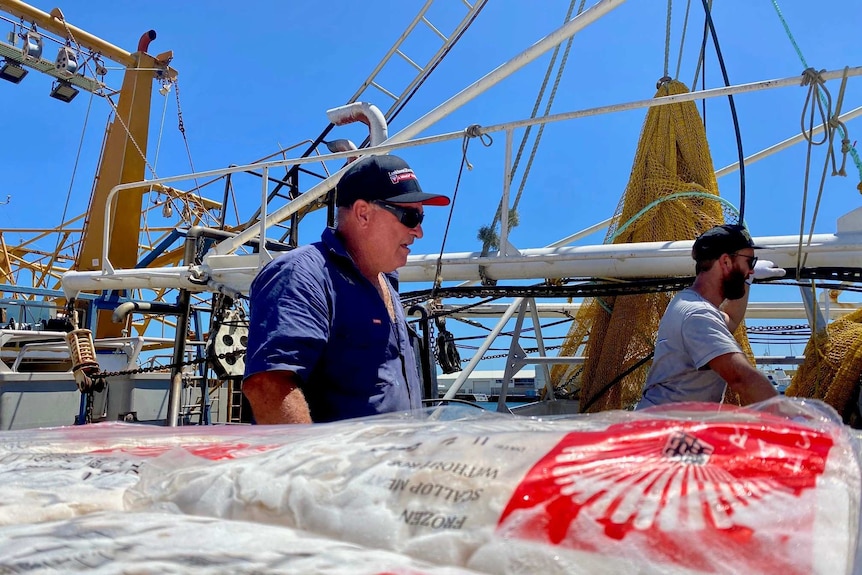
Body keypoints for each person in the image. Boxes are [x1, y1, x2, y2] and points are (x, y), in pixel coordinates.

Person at [242, 154, 450, 424]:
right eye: (410, 216)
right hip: (340, 466)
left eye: (422, 218)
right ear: (363, 213)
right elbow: (269, 386)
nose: (419, 231)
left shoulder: (385, 281)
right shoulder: (303, 275)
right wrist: (319, 466)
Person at [636, 224, 785, 409]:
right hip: (666, 431)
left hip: (673, 425)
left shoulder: (690, 303)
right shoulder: (698, 315)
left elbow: (730, 318)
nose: (752, 270)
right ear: (726, 262)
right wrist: (791, 419)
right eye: (750, 263)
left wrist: (746, 280)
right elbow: (741, 378)